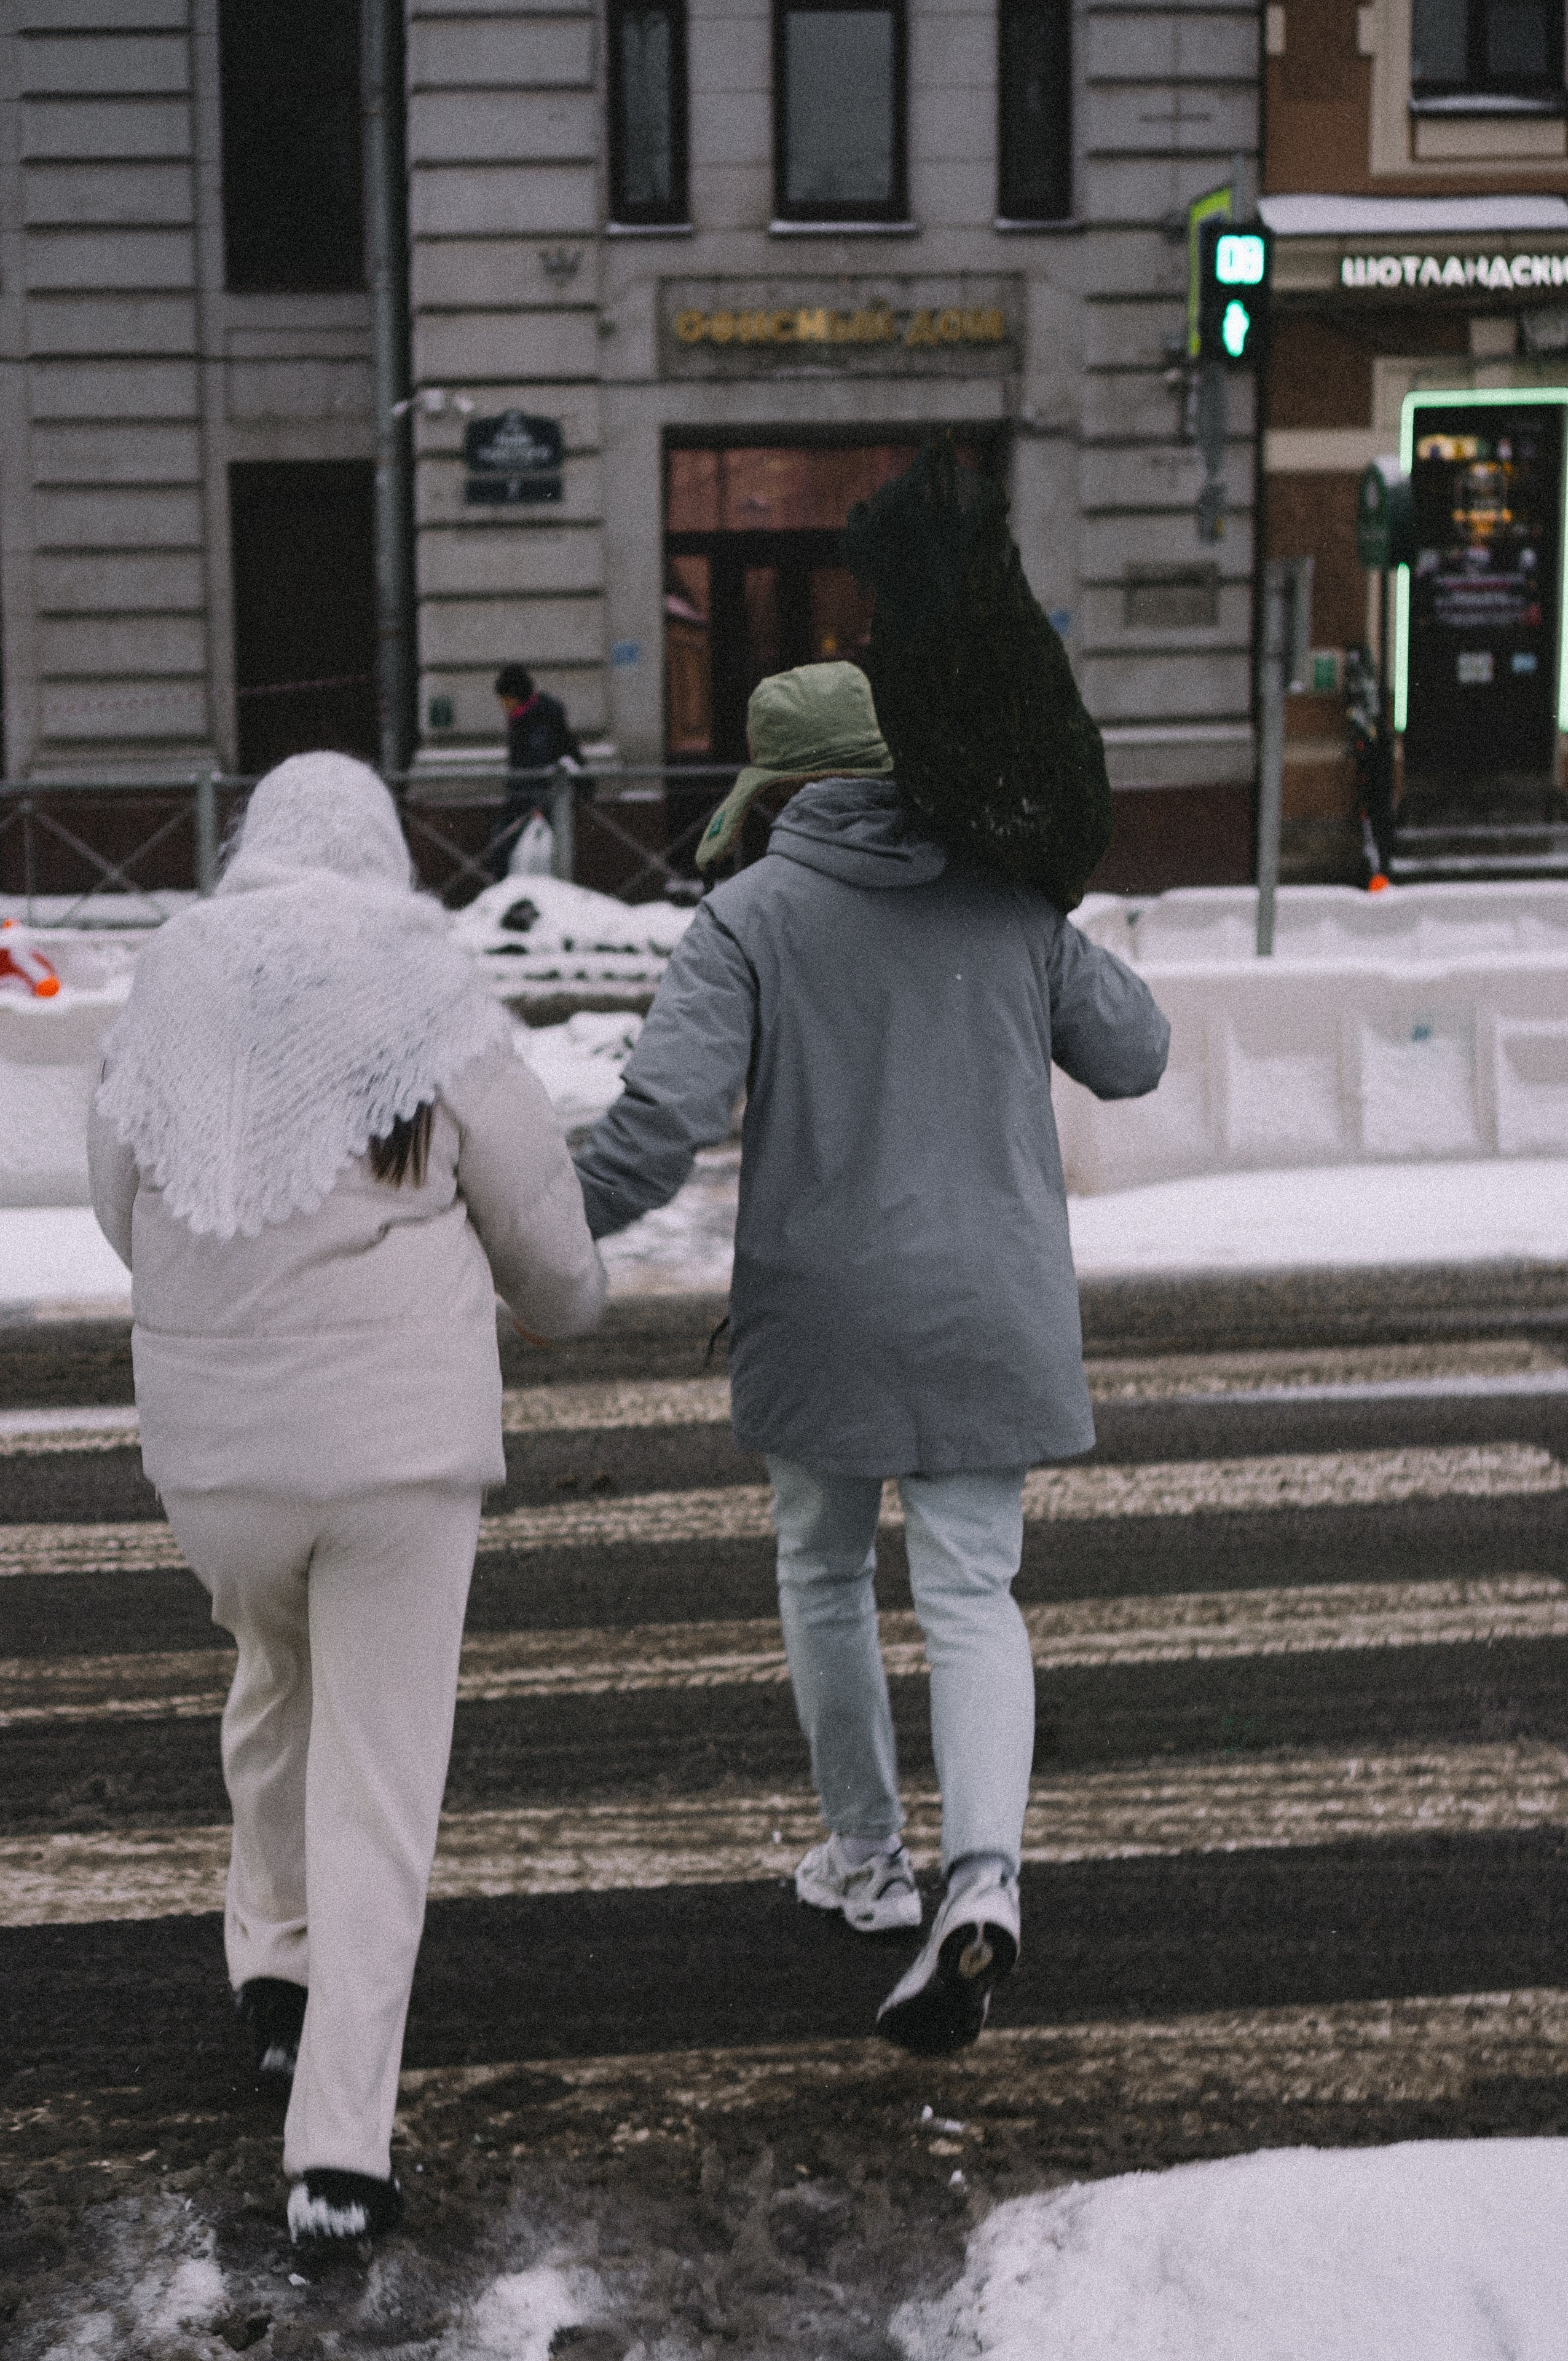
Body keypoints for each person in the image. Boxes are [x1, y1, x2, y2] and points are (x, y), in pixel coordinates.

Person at [572, 663, 1169, 2056]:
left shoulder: (749, 916)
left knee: (824, 1570)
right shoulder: (1006, 896)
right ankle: (982, 1874)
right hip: (987, 1306)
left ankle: (865, 1857)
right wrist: (1038, 902)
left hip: (822, 1303)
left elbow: (658, 1125)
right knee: (971, 1590)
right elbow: (1133, 1054)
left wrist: (533, 1232)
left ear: (781, 789)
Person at [89, 751, 605, 2244]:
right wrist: (572, 1293)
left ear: (254, 845)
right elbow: (547, 1251)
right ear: (378, 852)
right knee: (378, 1779)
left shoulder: (176, 980)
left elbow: (124, 1202)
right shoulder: (428, 997)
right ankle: (337, 2150)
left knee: (273, 1673)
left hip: (216, 1455)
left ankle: (273, 1964)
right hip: (395, 1453)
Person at [492, 662, 582, 879]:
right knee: (508, 844)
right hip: (527, 795)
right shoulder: (523, 715)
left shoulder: (541, 718)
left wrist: (538, 803)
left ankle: (512, 891)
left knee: (512, 844)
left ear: (516, 695)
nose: (503, 704)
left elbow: (541, 762)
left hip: (540, 798)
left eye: (505, 698)